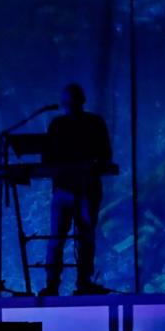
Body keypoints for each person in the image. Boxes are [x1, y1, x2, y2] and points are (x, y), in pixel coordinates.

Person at [38, 83, 113, 296]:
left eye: (69, 101)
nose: (67, 105)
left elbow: (105, 155)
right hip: (66, 188)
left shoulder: (91, 123)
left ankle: (76, 283)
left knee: (79, 236)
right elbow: (48, 157)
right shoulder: (60, 124)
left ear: (79, 101)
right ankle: (60, 283)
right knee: (63, 237)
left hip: (83, 188)